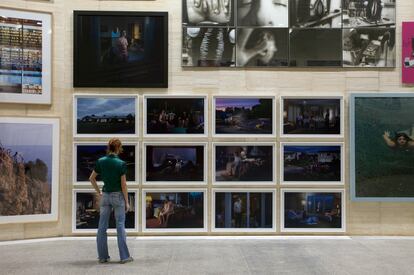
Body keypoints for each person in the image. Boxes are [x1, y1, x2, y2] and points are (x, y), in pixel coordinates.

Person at [89, 138, 133, 264]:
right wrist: (127, 201)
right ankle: (124, 257)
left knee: (102, 226)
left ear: (109, 147)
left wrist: (99, 192)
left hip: (106, 196)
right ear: (119, 148)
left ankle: (103, 257)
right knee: (120, 226)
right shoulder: (121, 163)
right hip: (118, 196)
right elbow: (123, 185)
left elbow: (91, 178)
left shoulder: (101, 161)